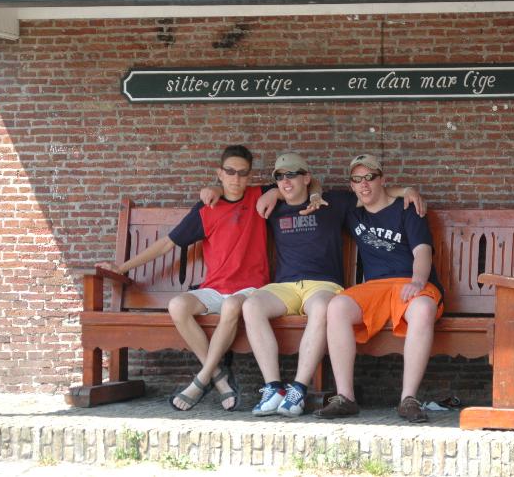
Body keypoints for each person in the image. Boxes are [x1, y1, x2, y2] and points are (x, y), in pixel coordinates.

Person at [243, 152, 425, 418]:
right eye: (280, 177)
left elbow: (372, 192)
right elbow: (234, 190)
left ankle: (298, 389)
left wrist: (407, 190)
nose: (286, 181)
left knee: (322, 309)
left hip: (322, 285)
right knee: (251, 306)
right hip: (284, 286)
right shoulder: (274, 205)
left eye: (292, 175)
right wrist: (272, 193)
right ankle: (273, 387)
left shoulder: (333, 202)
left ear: (307, 178)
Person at [96, 145, 268, 412]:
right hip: (215, 288)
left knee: (232, 305)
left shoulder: (260, 196)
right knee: (177, 305)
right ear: (219, 173)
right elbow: (167, 243)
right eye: (230, 172)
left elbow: (302, 184)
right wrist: (123, 268)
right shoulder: (206, 208)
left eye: (243, 173)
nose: (236, 178)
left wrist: (283, 191)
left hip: (250, 289)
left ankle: (201, 380)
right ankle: (219, 376)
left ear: (250, 175)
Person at [313, 154, 443, 423]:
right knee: (336, 306)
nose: (364, 184)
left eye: (370, 177)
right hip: (374, 287)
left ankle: (408, 399)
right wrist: (275, 194)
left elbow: (422, 251)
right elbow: (309, 185)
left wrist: (418, 280)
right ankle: (345, 397)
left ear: (383, 179)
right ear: (351, 185)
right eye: (357, 179)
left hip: (409, 282)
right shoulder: (351, 209)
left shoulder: (407, 208)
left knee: (422, 308)